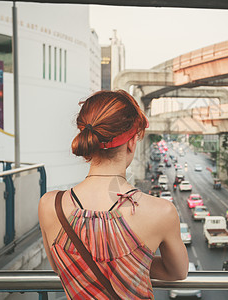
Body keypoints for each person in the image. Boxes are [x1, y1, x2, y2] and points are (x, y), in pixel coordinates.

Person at [38, 90, 188, 299]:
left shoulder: (49, 205)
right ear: (132, 142)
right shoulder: (162, 212)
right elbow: (177, 272)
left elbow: (57, 266)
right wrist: (133, 259)